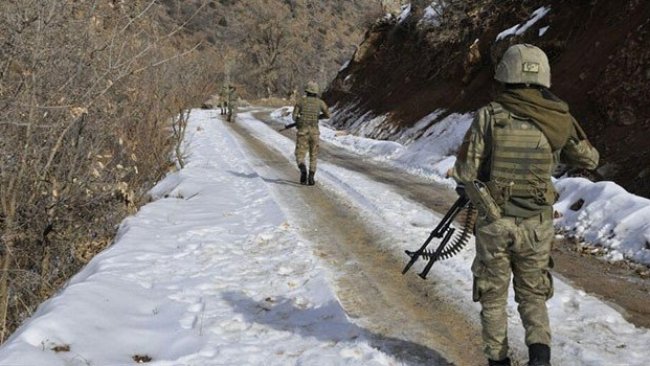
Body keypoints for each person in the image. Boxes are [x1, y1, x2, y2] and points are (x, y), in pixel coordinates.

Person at [449, 44, 599, 366]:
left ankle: (498, 361)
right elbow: (589, 157)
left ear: (506, 73)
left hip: (495, 222)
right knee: (533, 296)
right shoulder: (558, 117)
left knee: (492, 298)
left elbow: (464, 173)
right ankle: (540, 360)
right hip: (537, 225)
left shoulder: (490, 115)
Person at [290, 81, 330, 185]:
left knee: (299, 154)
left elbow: (294, 117)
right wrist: (318, 117)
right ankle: (311, 177)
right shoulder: (320, 103)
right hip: (315, 133)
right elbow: (328, 115)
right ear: (316, 91)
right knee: (313, 155)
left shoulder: (300, 102)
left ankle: (303, 170)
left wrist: (300, 119)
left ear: (307, 91)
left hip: (302, 132)